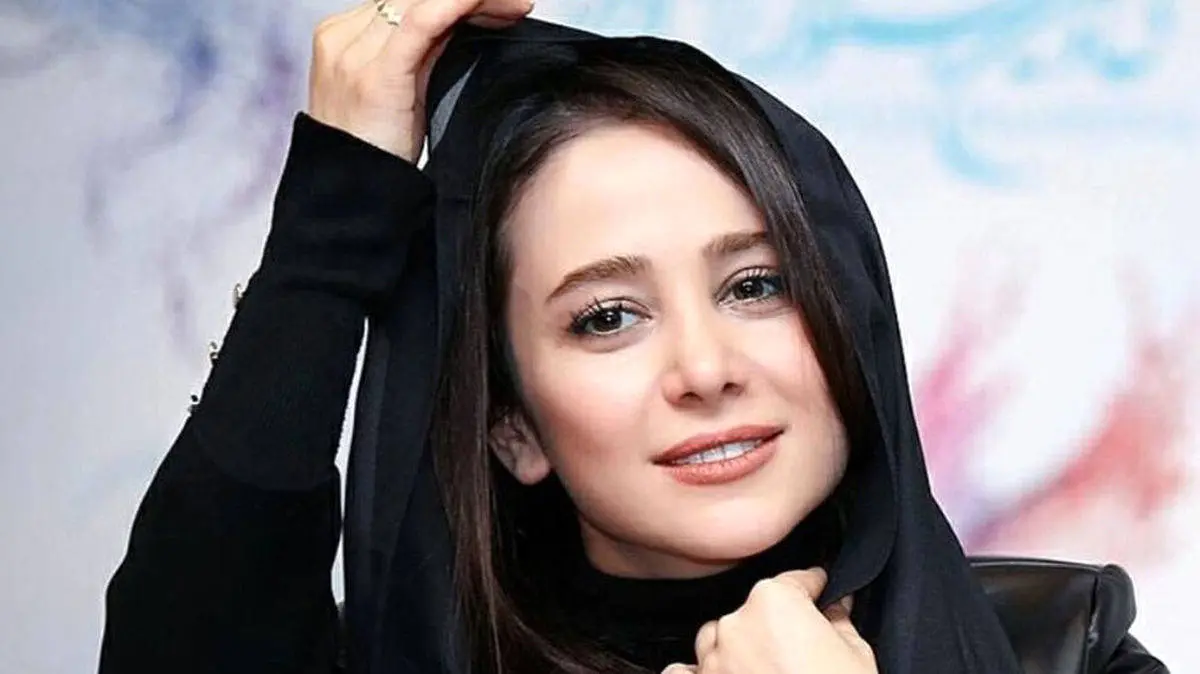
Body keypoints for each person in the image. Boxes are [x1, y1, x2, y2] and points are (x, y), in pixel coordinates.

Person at [98, 2, 1168, 674]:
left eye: (756, 285)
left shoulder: (1062, 648)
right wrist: (334, 226)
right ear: (513, 426)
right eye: (607, 316)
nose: (705, 369)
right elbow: (186, 631)